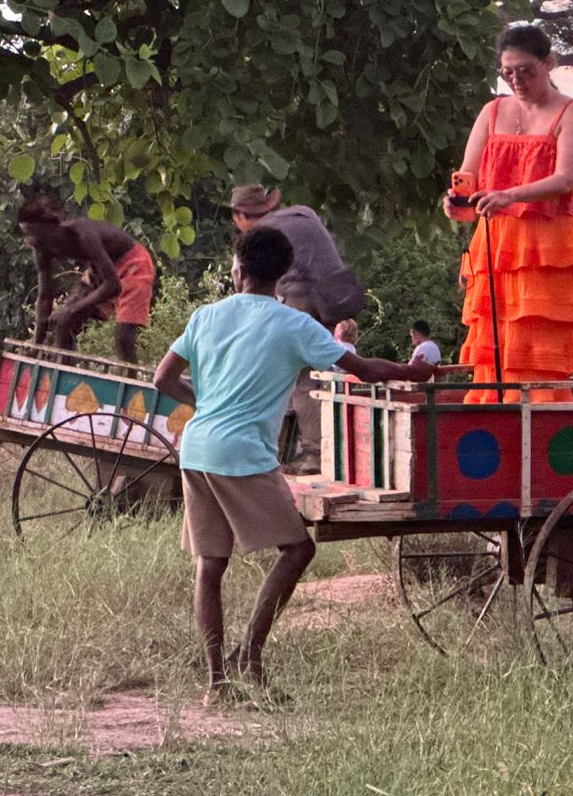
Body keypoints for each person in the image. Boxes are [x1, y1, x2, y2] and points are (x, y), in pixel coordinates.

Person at [153, 226, 432, 704]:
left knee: (210, 563)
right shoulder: (294, 324)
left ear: (236, 269)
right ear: (282, 276)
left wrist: (204, 406)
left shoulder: (205, 316)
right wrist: (413, 372)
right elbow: (363, 370)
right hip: (242, 453)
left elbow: (162, 378)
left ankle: (216, 684)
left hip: (197, 448)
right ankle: (251, 659)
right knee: (298, 550)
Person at [442, 23, 573, 403]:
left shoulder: (570, 113)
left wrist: (507, 195)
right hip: (496, 243)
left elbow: (564, 180)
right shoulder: (492, 111)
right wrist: (456, 200)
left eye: (525, 70)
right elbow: (470, 175)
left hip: (548, 246)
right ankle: (492, 426)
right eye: (507, 71)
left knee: (538, 343)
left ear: (549, 63)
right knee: (493, 344)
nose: (516, 79)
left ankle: (542, 430)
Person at [228, 183, 366, 474]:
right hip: (331, 297)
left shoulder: (260, 234)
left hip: (301, 297)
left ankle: (313, 454)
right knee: (315, 373)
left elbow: (242, 284)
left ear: (241, 214)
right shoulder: (304, 214)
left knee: (299, 376)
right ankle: (315, 446)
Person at [17, 193, 155, 363]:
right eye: (25, 234)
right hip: (100, 269)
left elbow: (113, 285)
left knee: (123, 338)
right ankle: (64, 374)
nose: (29, 241)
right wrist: (36, 345)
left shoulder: (83, 234)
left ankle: (130, 383)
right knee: (63, 324)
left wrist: (71, 309)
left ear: (49, 229)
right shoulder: (40, 250)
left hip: (133, 263)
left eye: (32, 234)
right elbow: (45, 297)